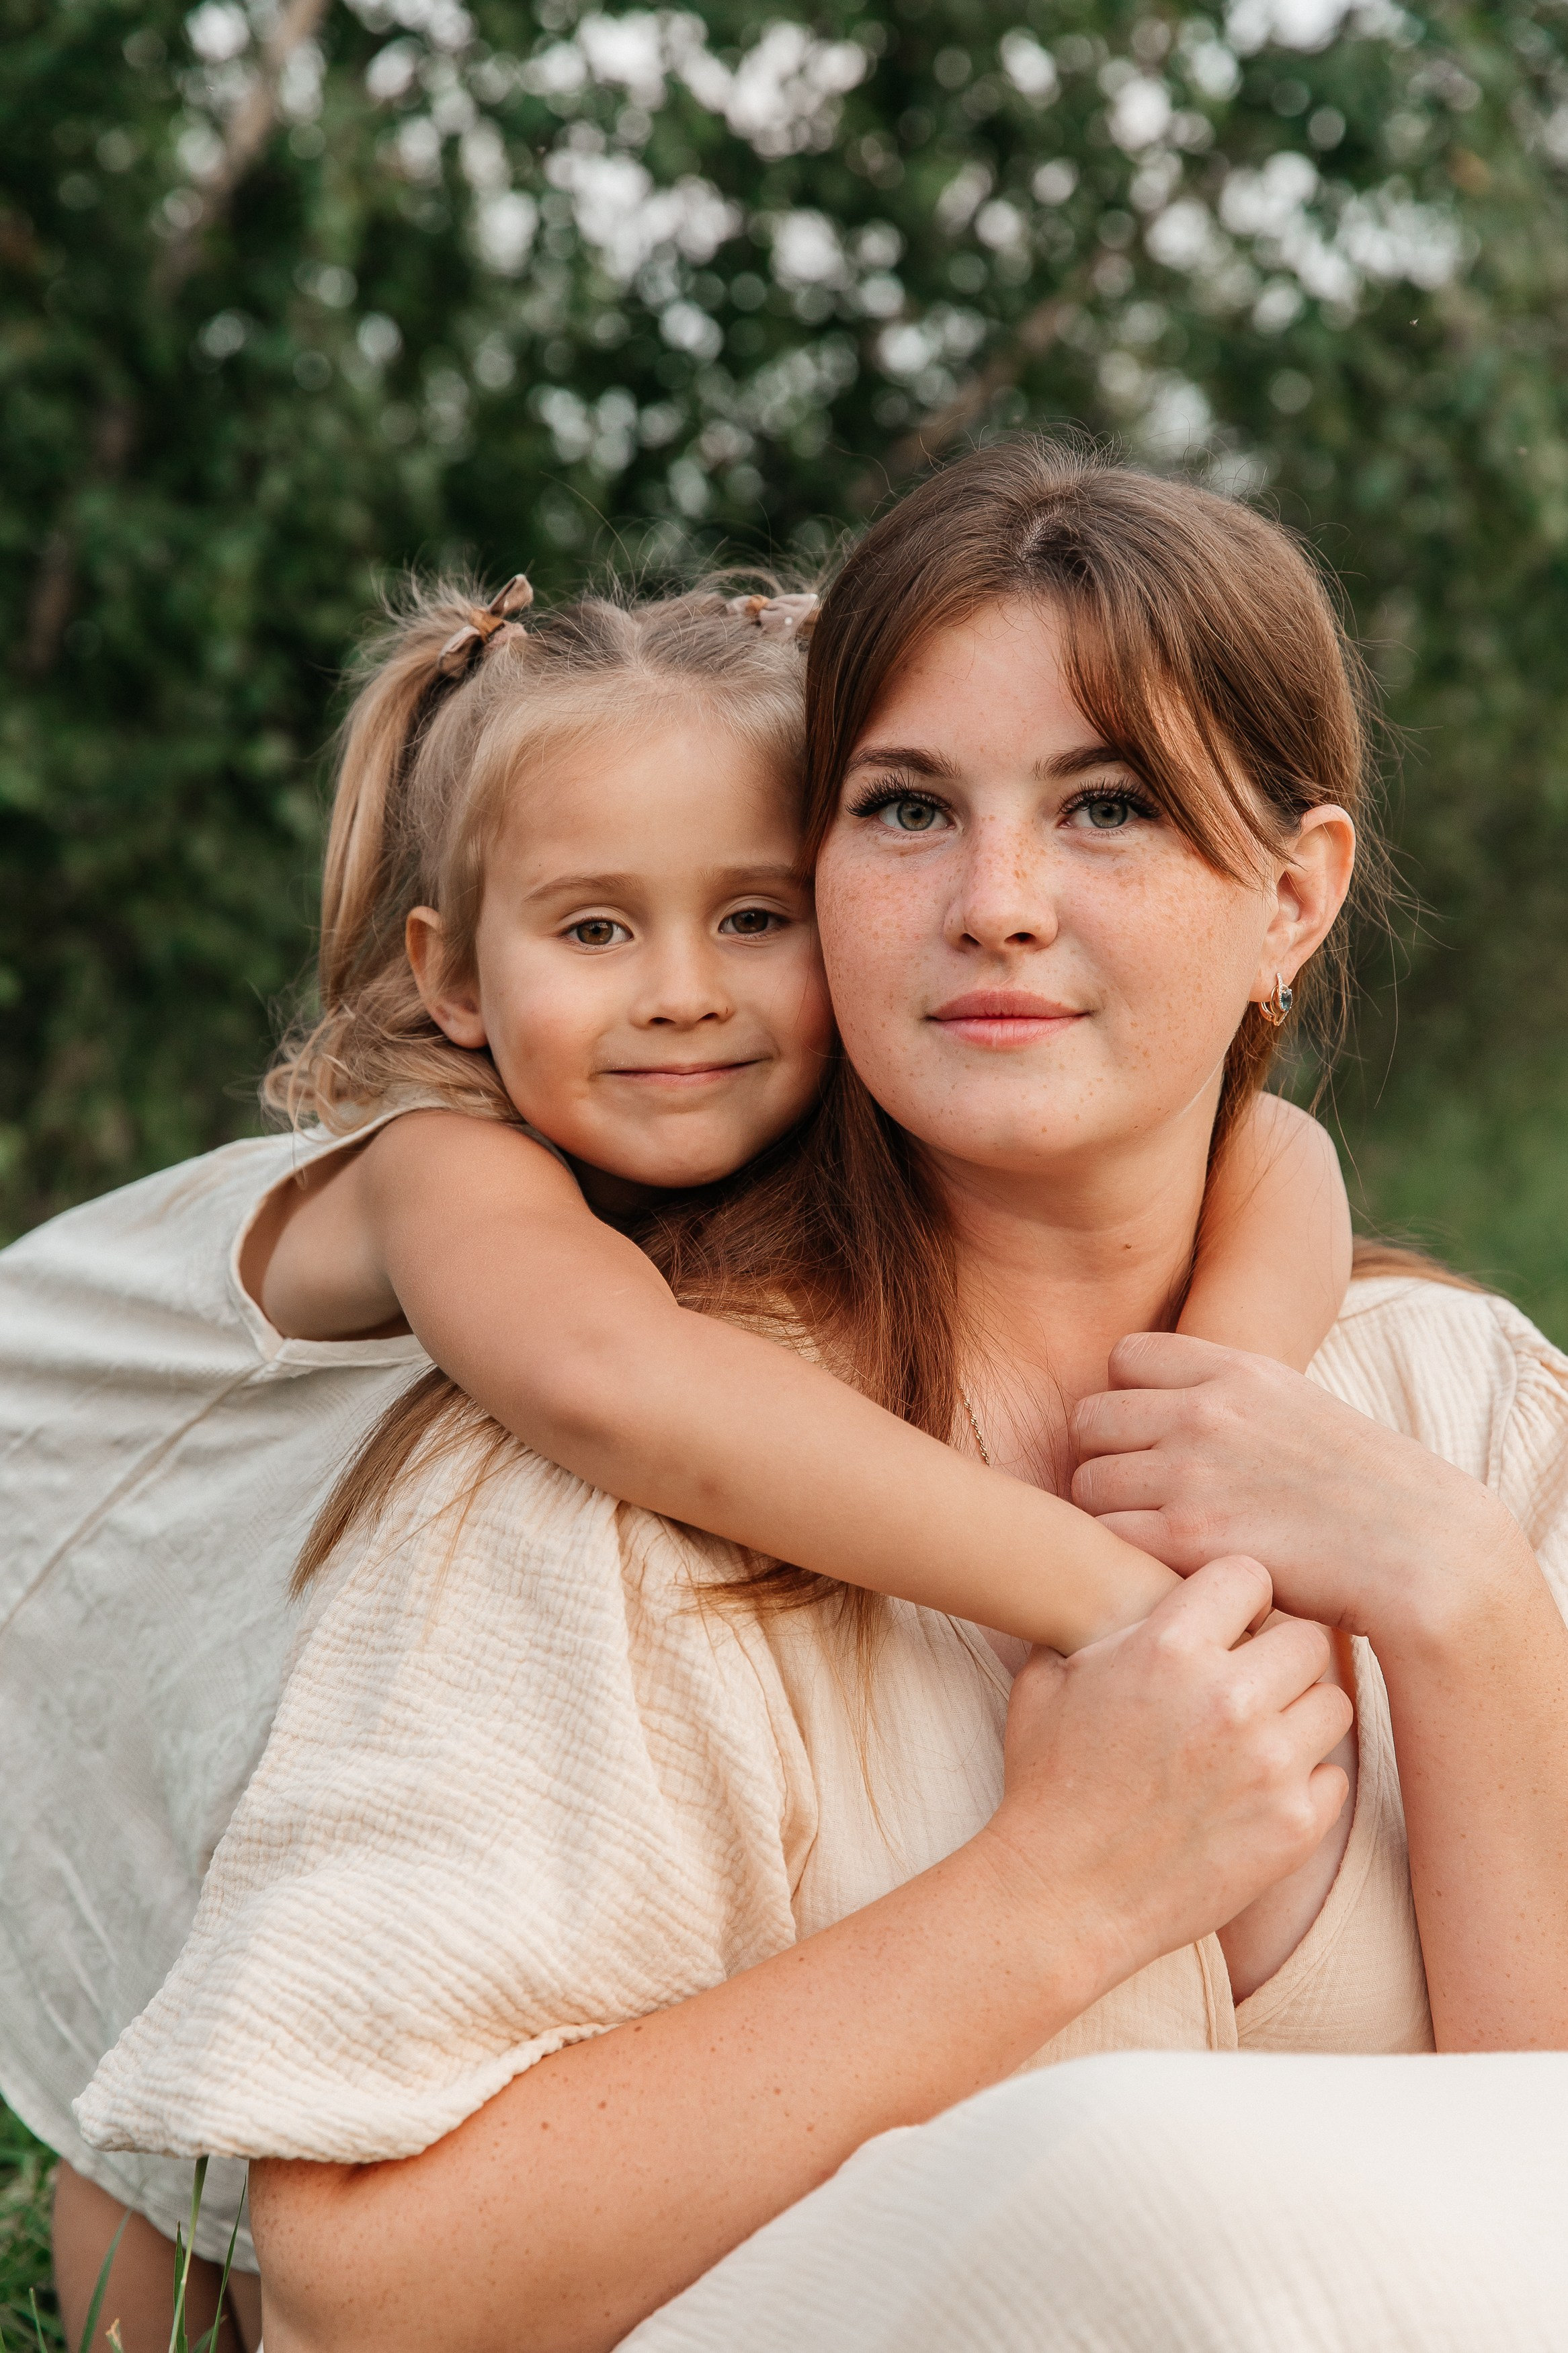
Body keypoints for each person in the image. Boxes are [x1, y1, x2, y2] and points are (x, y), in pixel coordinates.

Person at [76, 442, 1568, 2352]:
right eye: (905, 810)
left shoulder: (1463, 1411)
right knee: (1142, 2177)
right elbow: (370, 2284)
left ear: (1293, 895)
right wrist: (1052, 1894)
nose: (1000, 900)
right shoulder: (617, 1477)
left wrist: (1469, 1609)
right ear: (825, 873)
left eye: (1105, 805)